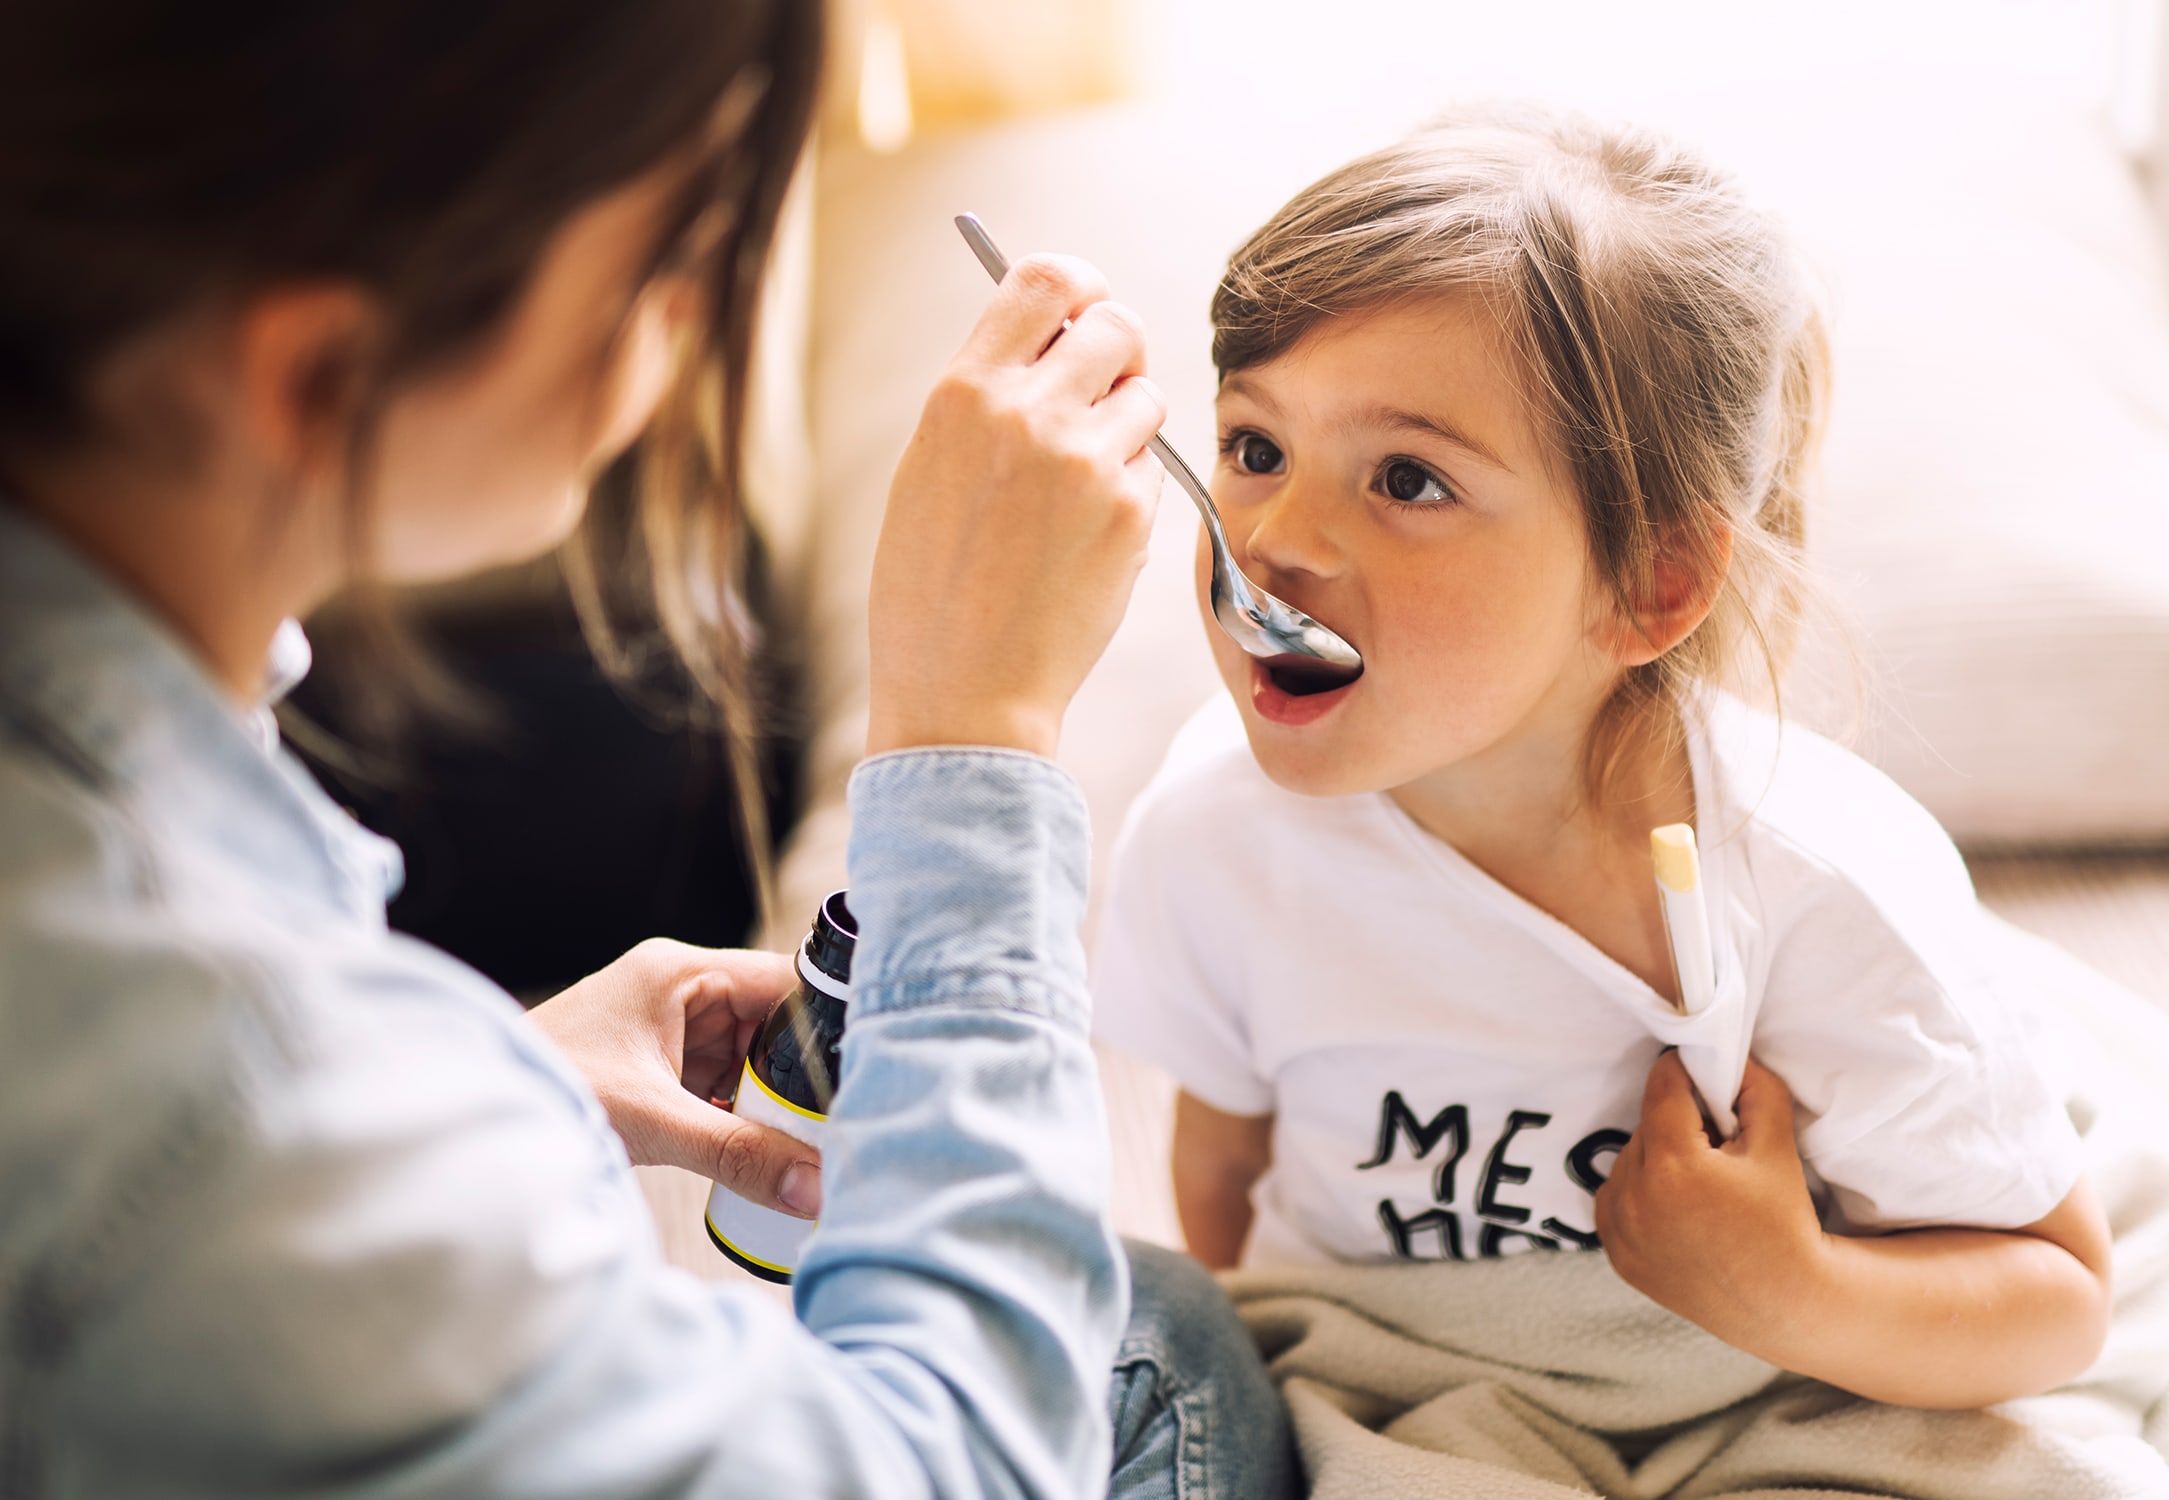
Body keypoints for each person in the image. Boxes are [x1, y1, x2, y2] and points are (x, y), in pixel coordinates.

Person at [0, 4, 1295, 1497]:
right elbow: (975, 1462)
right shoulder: (221, 1100)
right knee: (1152, 1366)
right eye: (672, 264)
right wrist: (971, 739)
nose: (695, 334)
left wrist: (489, 1072)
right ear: (319, 378)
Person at [1094, 109, 2115, 1411]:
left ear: (1651, 582)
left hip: (1765, 1383)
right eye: (1253, 448)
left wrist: (1788, 1286)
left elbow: (2057, 1308)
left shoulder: (1826, 894)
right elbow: (1224, 1184)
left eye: (1405, 479)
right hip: (1388, 1380)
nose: (1273, 541)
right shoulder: (1206, 834)